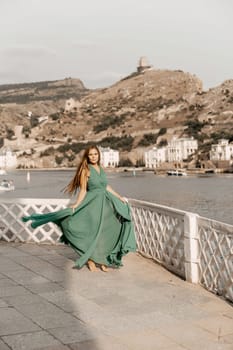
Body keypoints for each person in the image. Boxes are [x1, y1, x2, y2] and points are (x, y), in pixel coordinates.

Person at [22, 145, 136, 272]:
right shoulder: (86, 170)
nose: (93, 156)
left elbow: (106, 186)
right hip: (92, 204)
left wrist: (119, 197)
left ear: (99, 155)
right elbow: (82, 189)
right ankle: (91, 259)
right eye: (91, 154)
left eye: (95, 154)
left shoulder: (101, 169)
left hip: (106, 204)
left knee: (105, 232)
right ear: (87, 157)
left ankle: (103, 259)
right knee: (93, 232)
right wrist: (76, 205)